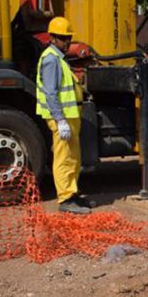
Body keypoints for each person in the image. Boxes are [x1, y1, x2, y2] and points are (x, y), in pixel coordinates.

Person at [36, 16, 94, 215]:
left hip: (70, 116)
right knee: (64, 158)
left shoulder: (59, 58)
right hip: (63, 118)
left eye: (68, 37)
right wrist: (60, 120)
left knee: (73, 157)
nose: (67, 41)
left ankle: (72, 193)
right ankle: (65, 198)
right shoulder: (51, 60)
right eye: (62, 38)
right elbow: (50, 93)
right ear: (52, 38)